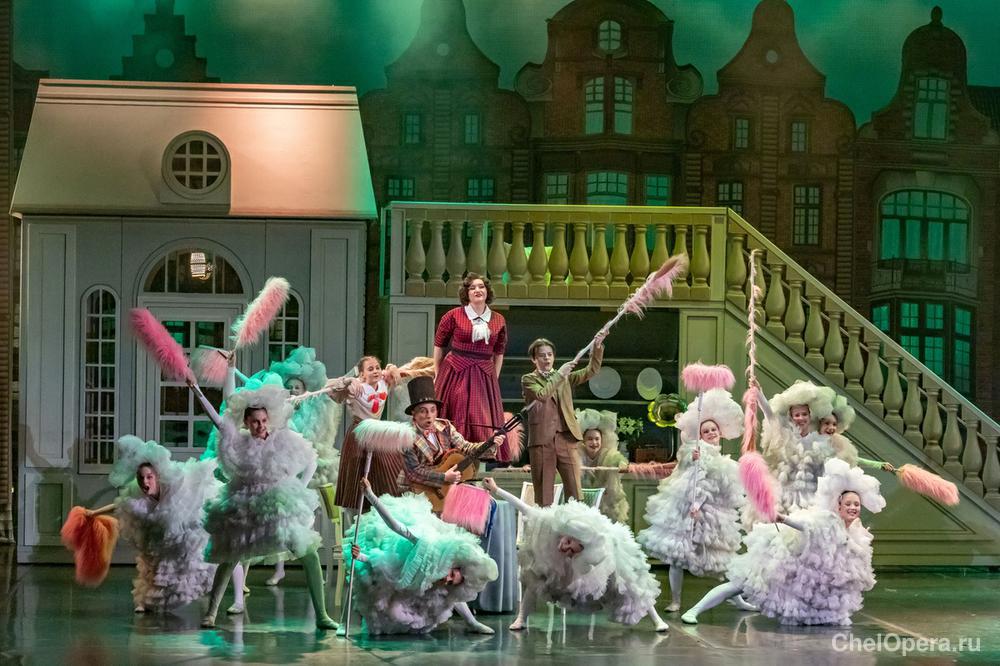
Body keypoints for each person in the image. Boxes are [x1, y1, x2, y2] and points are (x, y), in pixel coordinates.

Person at [187, 363, 337, 630]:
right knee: (230, 555)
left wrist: (299, 486)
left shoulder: (283, 438)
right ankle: (211, 613)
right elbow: (220, 420)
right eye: (255, 422)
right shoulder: (241, 443)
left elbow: (310, 458)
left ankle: (322, 615)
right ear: (247, 423)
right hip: (246, 501)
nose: (260, 426)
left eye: (264, 421)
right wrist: (197, 390)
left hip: (279, 502)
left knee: (308, 553)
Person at [681, 458, 884, 626]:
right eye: (848, 504)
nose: (853, 508)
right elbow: (806, 526)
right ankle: (694, 610)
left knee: (743, 588)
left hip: (801, 573)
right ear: (839, 506)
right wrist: (782, 518)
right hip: (780, 563)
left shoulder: (857, 531)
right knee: (739, 585)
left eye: (856, 504)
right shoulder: (828, 520)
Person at [482, 478, 669, 633]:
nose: (567, 550)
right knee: (535, 577)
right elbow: (525, 508)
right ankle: (522, 617)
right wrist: (496, 489)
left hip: (609, 551)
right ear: (569, 534)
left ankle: (656, 619)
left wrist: (578, 564)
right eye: (570, 544)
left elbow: (601, 569)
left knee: (629, 580)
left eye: (573, 551)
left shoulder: (598, 551)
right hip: (561, 558)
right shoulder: (552, 523)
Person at [638, 388, 751, 613]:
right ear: (700, 435)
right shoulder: (695, 450)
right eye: (705, 431)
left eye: (713, 430)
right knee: (677, 557)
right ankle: (676, 600)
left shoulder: (721, 458)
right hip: (689, 510)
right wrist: (693, 458)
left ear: (720, 432)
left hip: (712, 514)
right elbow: (692, 478)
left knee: (724, 558)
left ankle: (738, 601)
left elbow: (722, 489)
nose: (710, 433)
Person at [85, 435, 227, 613]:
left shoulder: (173, 487)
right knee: (153, 564)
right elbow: (121, 504)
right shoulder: (137, 492)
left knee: (188, 562)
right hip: (159, 534)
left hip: (184, 529)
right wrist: (94, 513)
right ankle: (146, 601)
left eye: (149, 477)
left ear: (157, 477)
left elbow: (196, 494)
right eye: (141, 478)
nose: (145, 482)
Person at [346, 478, 497, 634]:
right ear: (454, 565)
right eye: (452, 575)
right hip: (395, 550)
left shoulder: (444, 582)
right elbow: (394, 530)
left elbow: (454, 595)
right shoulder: (426, 545)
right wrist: (370, 495)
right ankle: (345, 623)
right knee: (383, 598)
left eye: (451, 582)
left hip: (418, 586)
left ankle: (472, 622)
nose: (447, 579)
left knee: (445, 594)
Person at [266, 346, 342, 586]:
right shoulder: (279, 414)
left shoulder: (314, 413)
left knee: (308, 521)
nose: (293, 391)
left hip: (311, 473)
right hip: (285, 474)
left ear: (305, 390)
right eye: (289, 387)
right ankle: (279, 568)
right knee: (280, 520)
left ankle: (315, 567)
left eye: (297, 387)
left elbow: (314, 443)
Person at [521, 332, 606, 506]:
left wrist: (597, 347)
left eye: (550, 355)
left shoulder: (565, 377)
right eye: (542, 355)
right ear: (534, 359)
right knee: (544, 494)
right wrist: (560, 374)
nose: (547, 358)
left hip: (566, 438)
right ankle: (545, 523)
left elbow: (592, 370)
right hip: (542, 440)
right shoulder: (529, 379)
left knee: (575, 490)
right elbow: (542, 395)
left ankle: (574, 522)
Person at [433, 273, 510, 461]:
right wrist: (438, 374)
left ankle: (482, 455)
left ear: (487, 291)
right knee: (457, 409)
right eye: (473, 287)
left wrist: (493, 378)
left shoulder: (498, 319)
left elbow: (499, 351)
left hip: (483, 373)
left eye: (481, 286)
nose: (477, 290)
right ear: (466, 293)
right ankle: (453, 456)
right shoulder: (454, 315)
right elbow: (439, 345)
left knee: (481, 416)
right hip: (456, 370)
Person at [397, 375, 505, 496]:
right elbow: (413, 472)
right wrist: (444, 477)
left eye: (433, 410)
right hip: (413, 490)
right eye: (423, 411)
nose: (429, 415)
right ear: (414, 413)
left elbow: (465, 448)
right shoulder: (406, 436)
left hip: (440, 491)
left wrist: (490, 443)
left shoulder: (445, 426)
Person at [330, 355, 404, 517]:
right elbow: (331, 389)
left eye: (377, 367)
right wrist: (349, 381)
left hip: (377, 432)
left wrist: (392, 368)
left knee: (390, 466)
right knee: (358, 468)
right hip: (359, 433)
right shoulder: (356, 388)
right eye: (370, 369)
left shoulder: (384, 383)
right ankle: (356, 514)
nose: (375, 371)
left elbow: (404, 373)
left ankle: (385, 509)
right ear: (362, 374)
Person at [753, 379, 837, 516]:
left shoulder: (819, 442)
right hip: (783, 499)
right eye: (797, 415)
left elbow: (825, 475)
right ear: (791, 418)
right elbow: (770, 416)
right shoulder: (784, 437)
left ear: (810, 416)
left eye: (804, 414)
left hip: (810, 501)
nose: (801, 418)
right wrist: (759, 394)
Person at [575, 409, 629, 524]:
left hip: (605, 502)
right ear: (583, 441)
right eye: (590, 439)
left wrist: (622, 464)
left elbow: (617, 459)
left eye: (597, 439)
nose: (594, 443)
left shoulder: (608, 453)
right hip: (584, 501)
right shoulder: (577, 454)